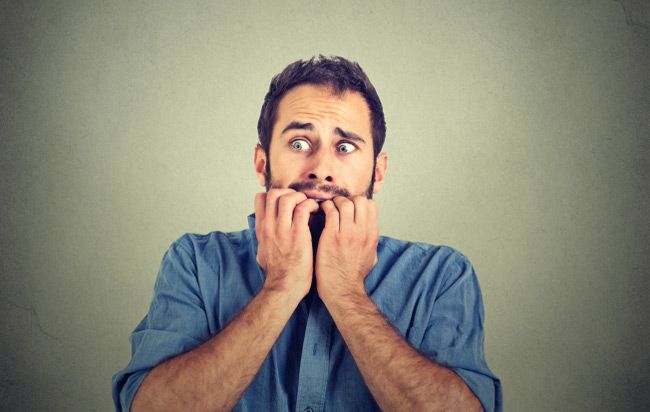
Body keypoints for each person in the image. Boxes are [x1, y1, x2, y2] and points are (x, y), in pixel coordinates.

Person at [112, 55, 502, 412]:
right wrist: (280, 287)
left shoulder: (441, 275)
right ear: (262, 163)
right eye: (299, 143)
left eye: (345, 147)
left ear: (378, 172)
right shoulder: (195, 263)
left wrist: (346, 292)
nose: (322, 169)